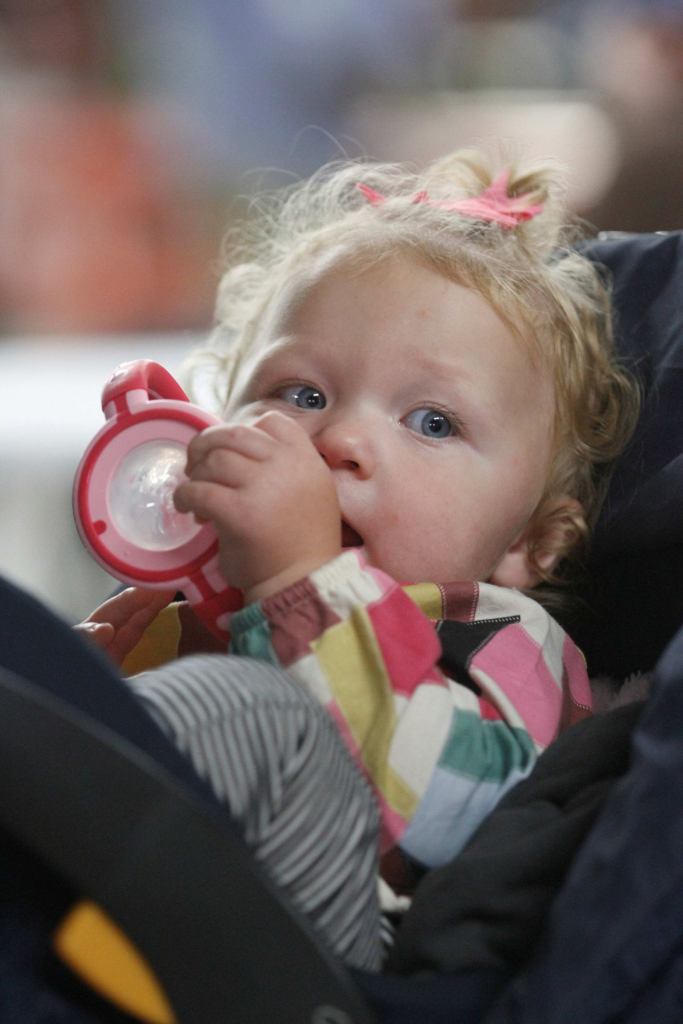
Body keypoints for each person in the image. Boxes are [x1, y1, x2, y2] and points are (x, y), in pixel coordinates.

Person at [77, 149, 639, 971]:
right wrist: (87, 692)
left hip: (337, 960)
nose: (338, 440)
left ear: (527, 543)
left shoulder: (498, 641)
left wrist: (303, 587)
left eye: (432, 422)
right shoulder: (183, 615)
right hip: (124, 922)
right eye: (300, 394)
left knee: (250, 711)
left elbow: (456, 815)